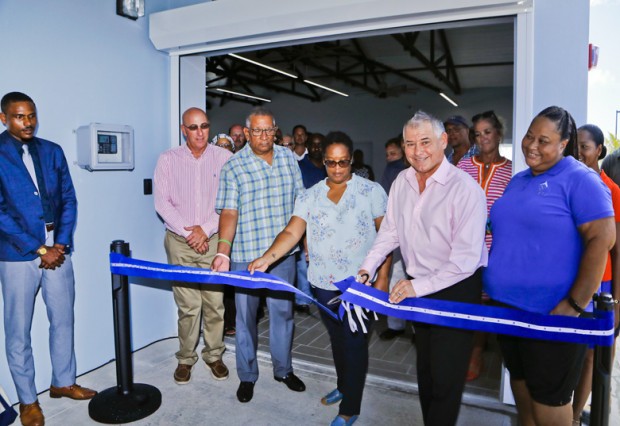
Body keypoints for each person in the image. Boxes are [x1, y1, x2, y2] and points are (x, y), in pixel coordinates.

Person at [484, 107, 615, 426]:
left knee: (549, 403)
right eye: (529, 136)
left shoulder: (580, 179)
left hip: (551, 315)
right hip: (509, 310)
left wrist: (574, 305)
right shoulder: (518, 181)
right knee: (522, 392)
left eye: (543, 140)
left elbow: (602, 239)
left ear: (564, 143)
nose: (531, 145)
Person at [249, 131, 389, 426]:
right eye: (331, 162)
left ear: (352, 160)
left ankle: (351, 407)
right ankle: (344, 386)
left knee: (354, 344)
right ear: (323, 161)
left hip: (359, 285)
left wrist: (382, 282)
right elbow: (292, 232)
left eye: (343, 162)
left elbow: (387, 237)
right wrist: (267, 258)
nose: (337, 169)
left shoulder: (371, 191)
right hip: (323, 283)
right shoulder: (310, 195)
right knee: (337, 340)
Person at [359, 111, 488, 426]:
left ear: (443, 141)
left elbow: (465, 260)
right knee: (427, 372)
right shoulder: (402, 181)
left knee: (446, 379)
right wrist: (367, 268)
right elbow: (390, 231)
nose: (418, 151)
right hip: (420, 287)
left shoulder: (465, 189)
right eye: (410, 144)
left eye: (425, 142)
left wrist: (416, 287)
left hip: (456, 288)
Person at [0, 92, 97, 426]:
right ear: (4, 118)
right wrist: (40, 249)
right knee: (18, 331)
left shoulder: (52, 150)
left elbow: (68, 198)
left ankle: (63, 382)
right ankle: (28, 401)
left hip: (58, 249)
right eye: (19, 116)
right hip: (17, 255)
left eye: (31, 116)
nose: (27, 122)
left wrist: (61, 243)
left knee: (63, 319)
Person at [213, 107, 306, 403]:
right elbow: (229, 212)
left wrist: (306, 244)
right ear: (247, 132)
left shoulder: (288, 159)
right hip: (245, 255)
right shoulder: (233, 166)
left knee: (283, 315)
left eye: (269, 130)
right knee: (245, 319)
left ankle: (283, 370)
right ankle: (247, 375)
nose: (264, 136)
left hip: (283, 256)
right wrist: (223, 252)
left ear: (275, 131)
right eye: (257, 130)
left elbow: (301, 204)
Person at [154, 107, 232, 385]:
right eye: (193, 127)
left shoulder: (225, 158)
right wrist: (190, 233)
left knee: (214, 304)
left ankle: (214, 355)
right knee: (188, 305)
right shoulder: (168, 159)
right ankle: (186, 358)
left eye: (204, 126)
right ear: (183, 130)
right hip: (180, 242)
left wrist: (205, 230)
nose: (200, 132)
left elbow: (229, 203)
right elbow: (162, 202)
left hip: (213, 242)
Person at [456, 110, 512, 381]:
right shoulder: (464, 166)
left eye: (487, 132)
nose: (482, 138)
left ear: (499, 133)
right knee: (466, 298)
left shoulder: (511, 170)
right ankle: (467, 349)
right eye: (477, 134)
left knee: (486, 301)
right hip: (464, 245)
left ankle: (477, 351)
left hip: (495, 247)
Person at [572, 123, 620, 425]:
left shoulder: (612, 190)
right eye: (575, 146)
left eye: (585, 147)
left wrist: (617, 302)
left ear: (599, 150)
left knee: (592, 355)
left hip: (601, 283)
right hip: (570, 278)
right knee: (568, 349)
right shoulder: (569, 183)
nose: (578, 152)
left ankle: (574, 416)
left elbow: (617, 251)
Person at [378, 137, 410, 341]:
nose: (390, 158)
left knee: (413, 278)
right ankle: (397, 324)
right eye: (388, 154)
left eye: (394, 153)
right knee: (398, 276)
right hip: (396, 230)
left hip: (416, 234)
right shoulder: (391, 170)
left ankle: (411, 327)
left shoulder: (414, 168)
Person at [294, 133, 328, 314]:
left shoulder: (330, 166)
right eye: (313, 144)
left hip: (327, 221)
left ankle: (323, 295)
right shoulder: (299, 167)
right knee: (303, 262)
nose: (316, 147)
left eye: (320, 144)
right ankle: (302, 299)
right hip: (304, 219)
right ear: (307, 146)